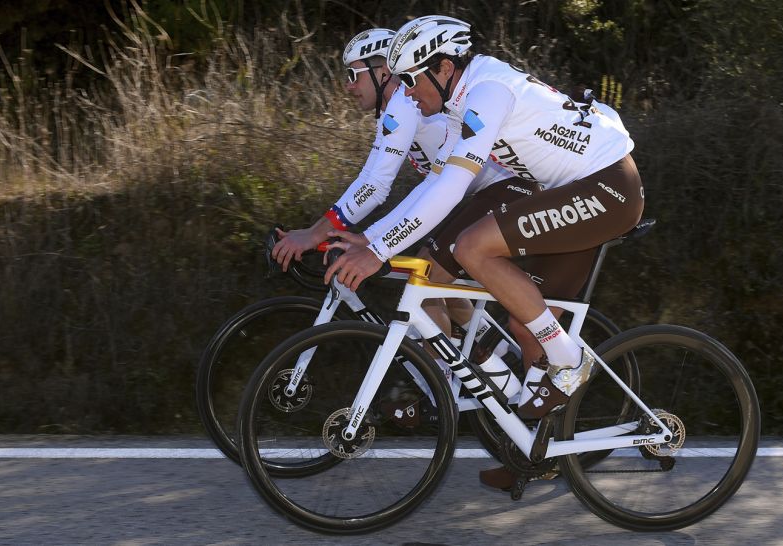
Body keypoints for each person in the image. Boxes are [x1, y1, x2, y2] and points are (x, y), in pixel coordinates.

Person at [323, 15, 645, 490]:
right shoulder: (461, 99)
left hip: (608, 188)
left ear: (445, 67)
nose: (406, 93)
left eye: (411, 80)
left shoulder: (488, 91)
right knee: (523, 318)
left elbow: (454, 186)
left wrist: (378, 252)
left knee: (472, 247)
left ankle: (571, 361)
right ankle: (535, 453)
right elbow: (435, 181)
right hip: (572, 190)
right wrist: (374, 242)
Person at [271, 27, 519, 389]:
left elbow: (375, 186)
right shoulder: (398, 105)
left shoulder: (404, 102)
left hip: (492, 191)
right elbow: (379, 178)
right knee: (432, 281)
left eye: (353, 74)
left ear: (383, 72)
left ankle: (466, 388)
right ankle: (490, 357)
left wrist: (318, 232)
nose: (348, 85)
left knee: (428, 282)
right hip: (465, 195)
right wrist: (363, 237)